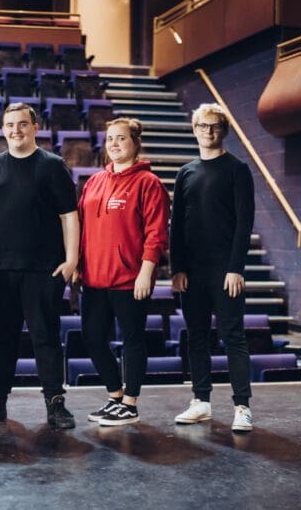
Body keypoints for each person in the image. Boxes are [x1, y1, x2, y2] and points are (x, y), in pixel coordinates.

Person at [0, 102, 79, 429]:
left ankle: (55, 404)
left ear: (35, 127)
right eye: (10, 125)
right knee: (1, 338)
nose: (16, 130)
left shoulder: (53, 166)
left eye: (22, 124)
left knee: (46, 337)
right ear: (3, 129)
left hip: (43, 269)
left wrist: (72, 260)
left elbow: (69, 215)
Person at [78, 118, 169, 426]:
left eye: (121, 139)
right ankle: (114, 395)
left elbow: (156, 233)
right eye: (110, 139)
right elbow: (81, 227)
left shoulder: (149, 183)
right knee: (92, 337)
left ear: (135, 143)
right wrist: (78, 264)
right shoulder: (94, 182)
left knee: (132, 339)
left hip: (129, 279)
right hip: (94, 278)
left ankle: (130, 403)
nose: (114, 144)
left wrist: (146, 272)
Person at [171, 103, 255, 432]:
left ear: (224, 130)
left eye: (215, 126)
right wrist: (177, 267)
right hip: (192, 270)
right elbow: (176, 224)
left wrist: (236, 267)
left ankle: (242, 406)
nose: (208, 131)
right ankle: (201, 402)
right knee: (196, 338)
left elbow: (244, 222)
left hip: (225, 270)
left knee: (233, 337)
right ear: (195, 130)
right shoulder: (186, 173)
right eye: (203, 126)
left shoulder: (237, 170)